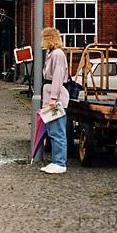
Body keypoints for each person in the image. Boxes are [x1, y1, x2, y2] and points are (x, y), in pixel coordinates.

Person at [40, 27, 69, 174]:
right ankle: (56, 160)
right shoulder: (51, 53)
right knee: (52, 130)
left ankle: (60, 162)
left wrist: (53, 98)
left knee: (58, 130)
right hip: (50, 94)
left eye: (43, 38)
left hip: (55, 96)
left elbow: (58, 76)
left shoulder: (57, 54)